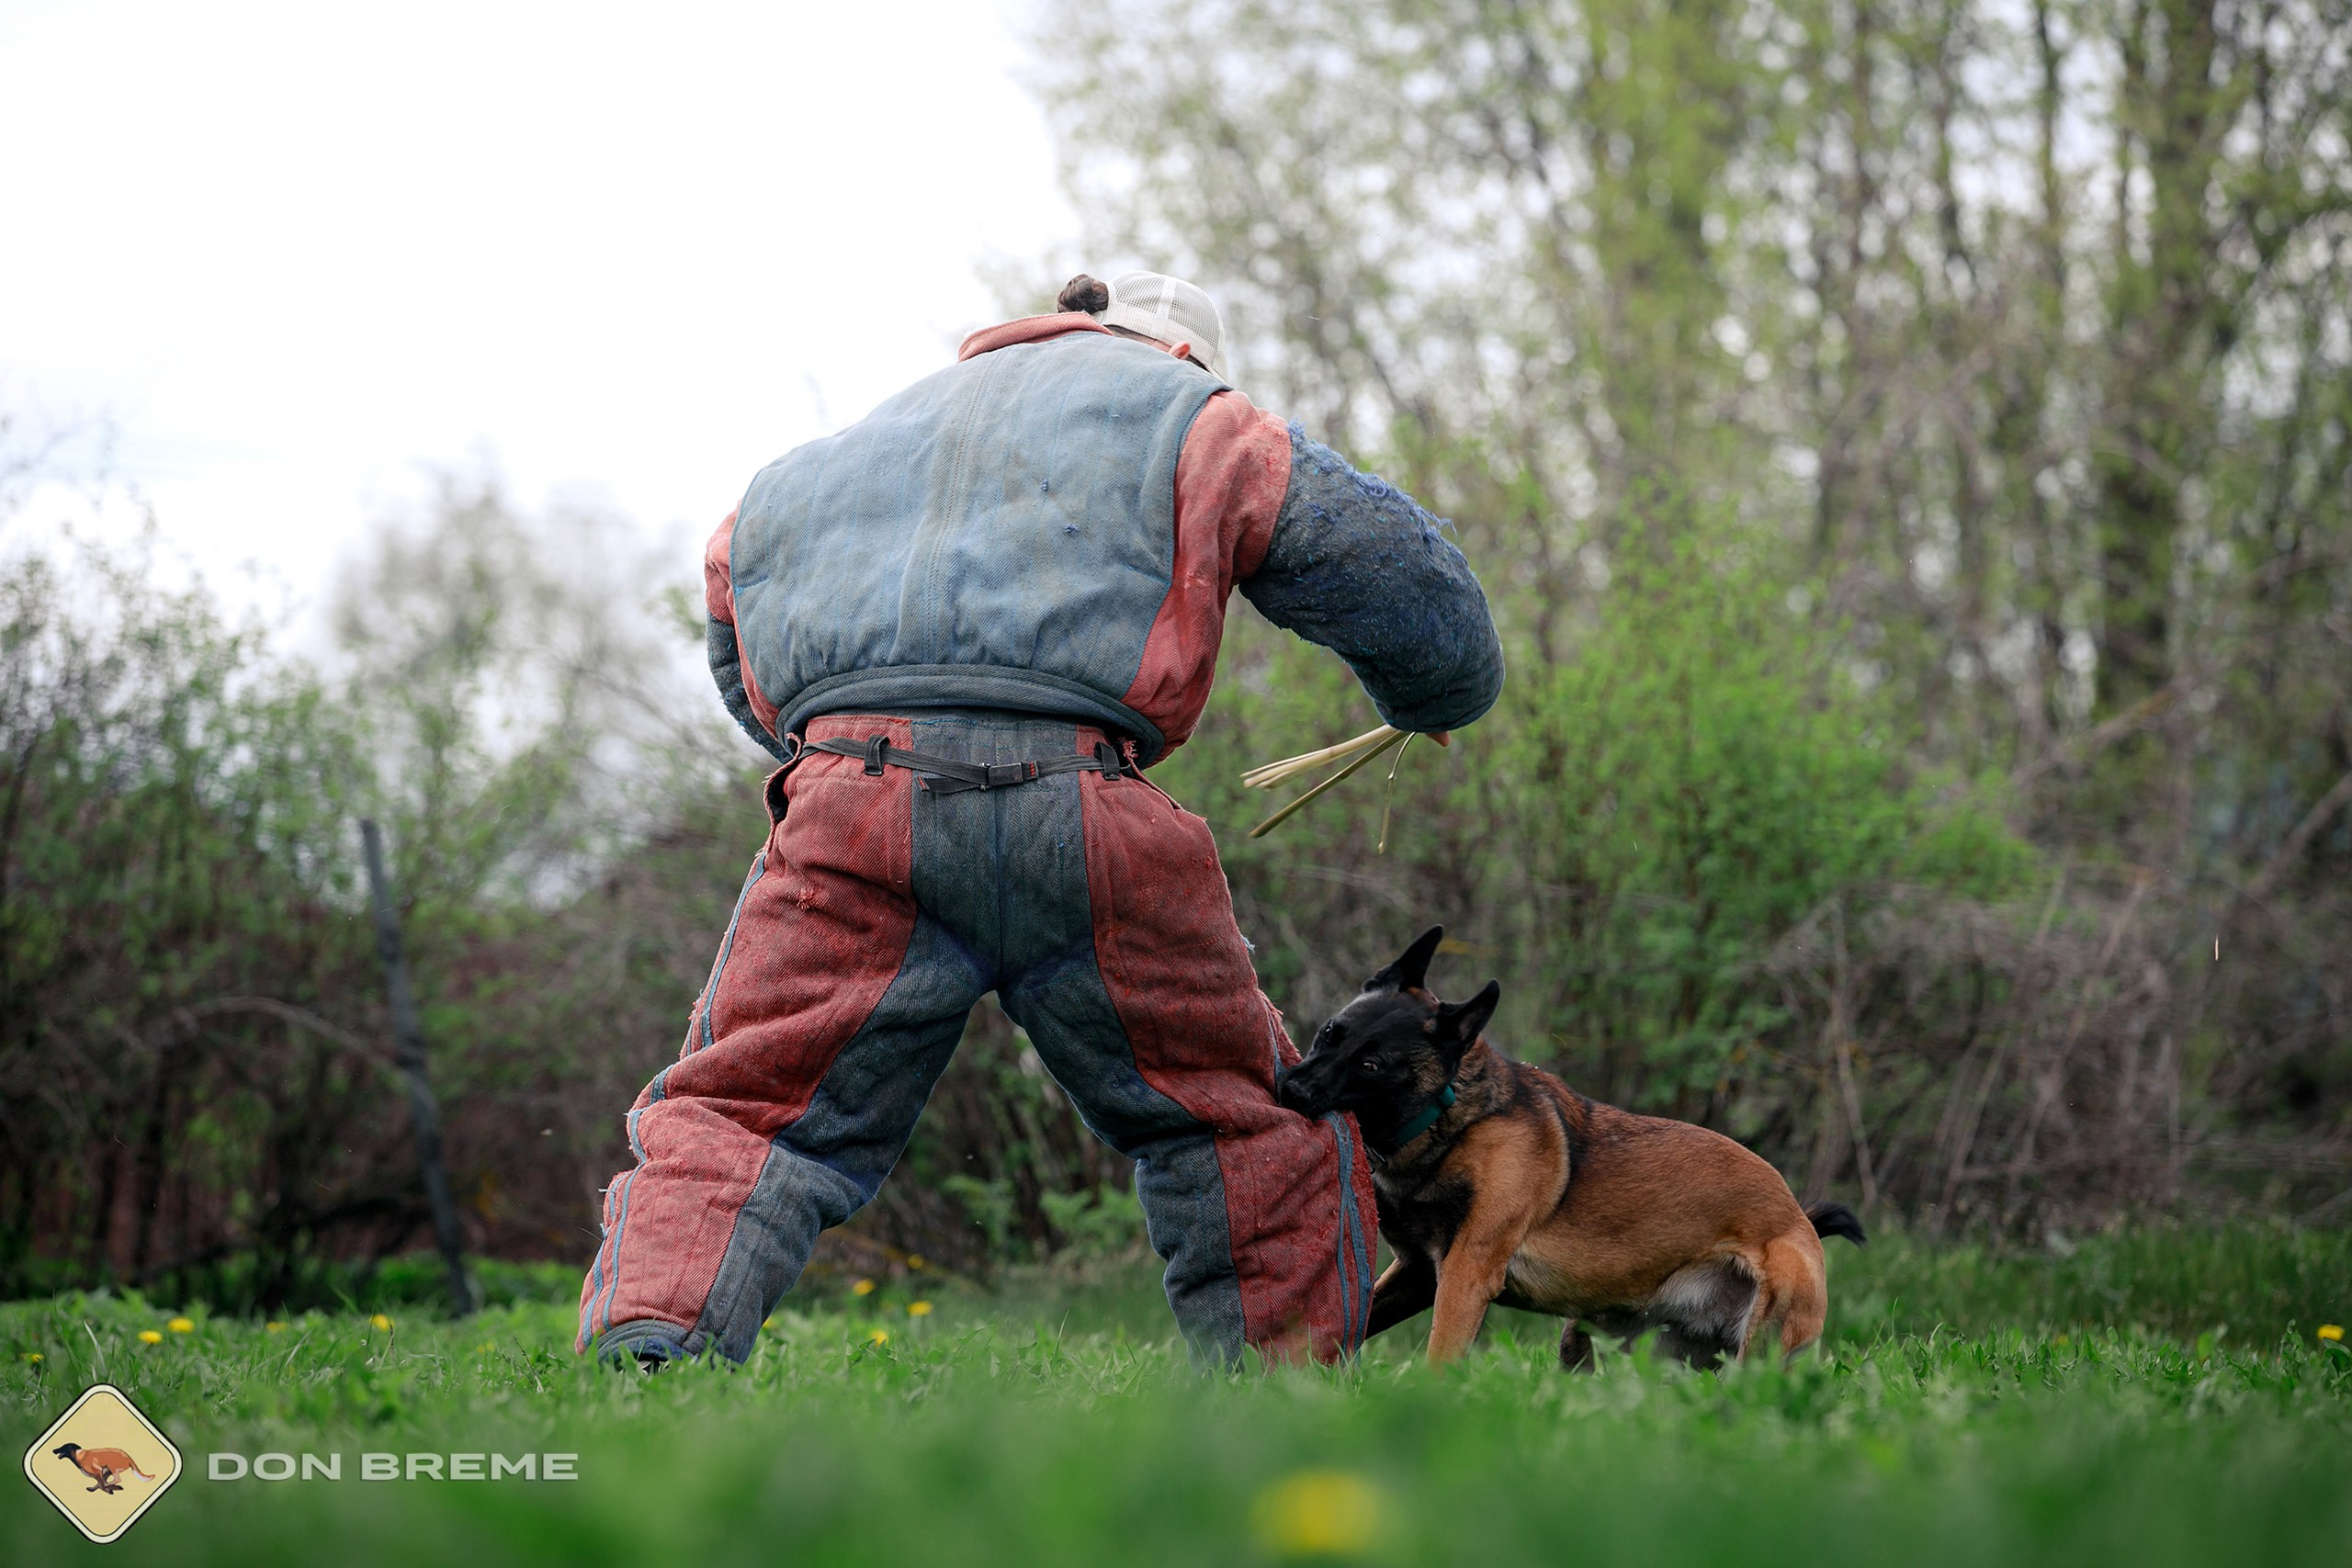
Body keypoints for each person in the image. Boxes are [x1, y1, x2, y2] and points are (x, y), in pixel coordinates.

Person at [579, 271, 1502, 1369]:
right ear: (1186, 359)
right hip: (1086, 803)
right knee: (1239, 1118)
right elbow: (1390, 568)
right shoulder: (1195, 419)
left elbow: (738, 647)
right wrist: (1435, 696)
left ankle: (655, 1342)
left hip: (848, 802)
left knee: (745, 1105)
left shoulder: (821, 462)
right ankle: (1285, 1391)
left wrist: (845, 761)